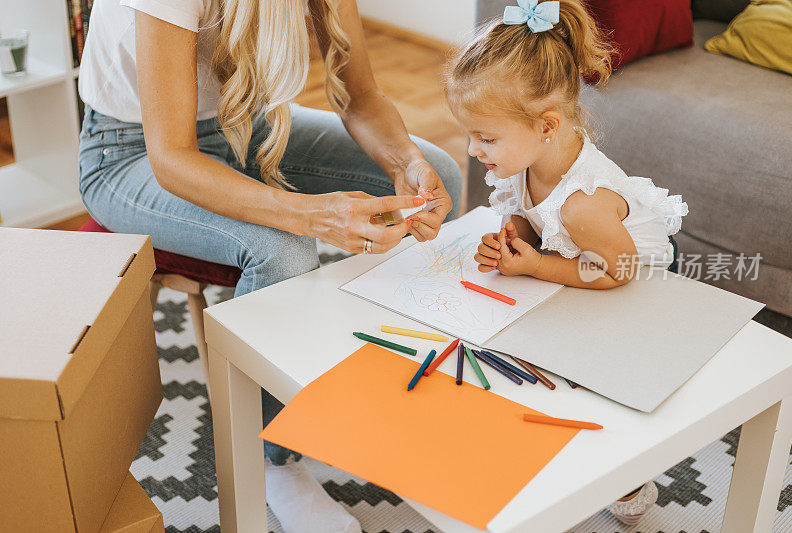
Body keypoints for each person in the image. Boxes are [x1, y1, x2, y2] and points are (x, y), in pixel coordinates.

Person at [77, 0, 461, 531]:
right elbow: (172, 158)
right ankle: (271, 459)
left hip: (243, 126)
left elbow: (362, 96)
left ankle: (388, 383)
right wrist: (313, 215)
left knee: (440, 174)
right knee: (283, 248)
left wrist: (407, 162)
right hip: (131, 152)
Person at [444, 0, 687, 524]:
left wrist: (534, 266)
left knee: (599, 378)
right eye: (471, 134)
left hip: (627, 278)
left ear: (548, 125)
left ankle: (626, 477)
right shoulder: (525, 157)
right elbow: (534, 215)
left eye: (485, 138)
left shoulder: (583, 204)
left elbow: (617, 271)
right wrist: (517, 237)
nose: (473, 150)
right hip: (577, 260)